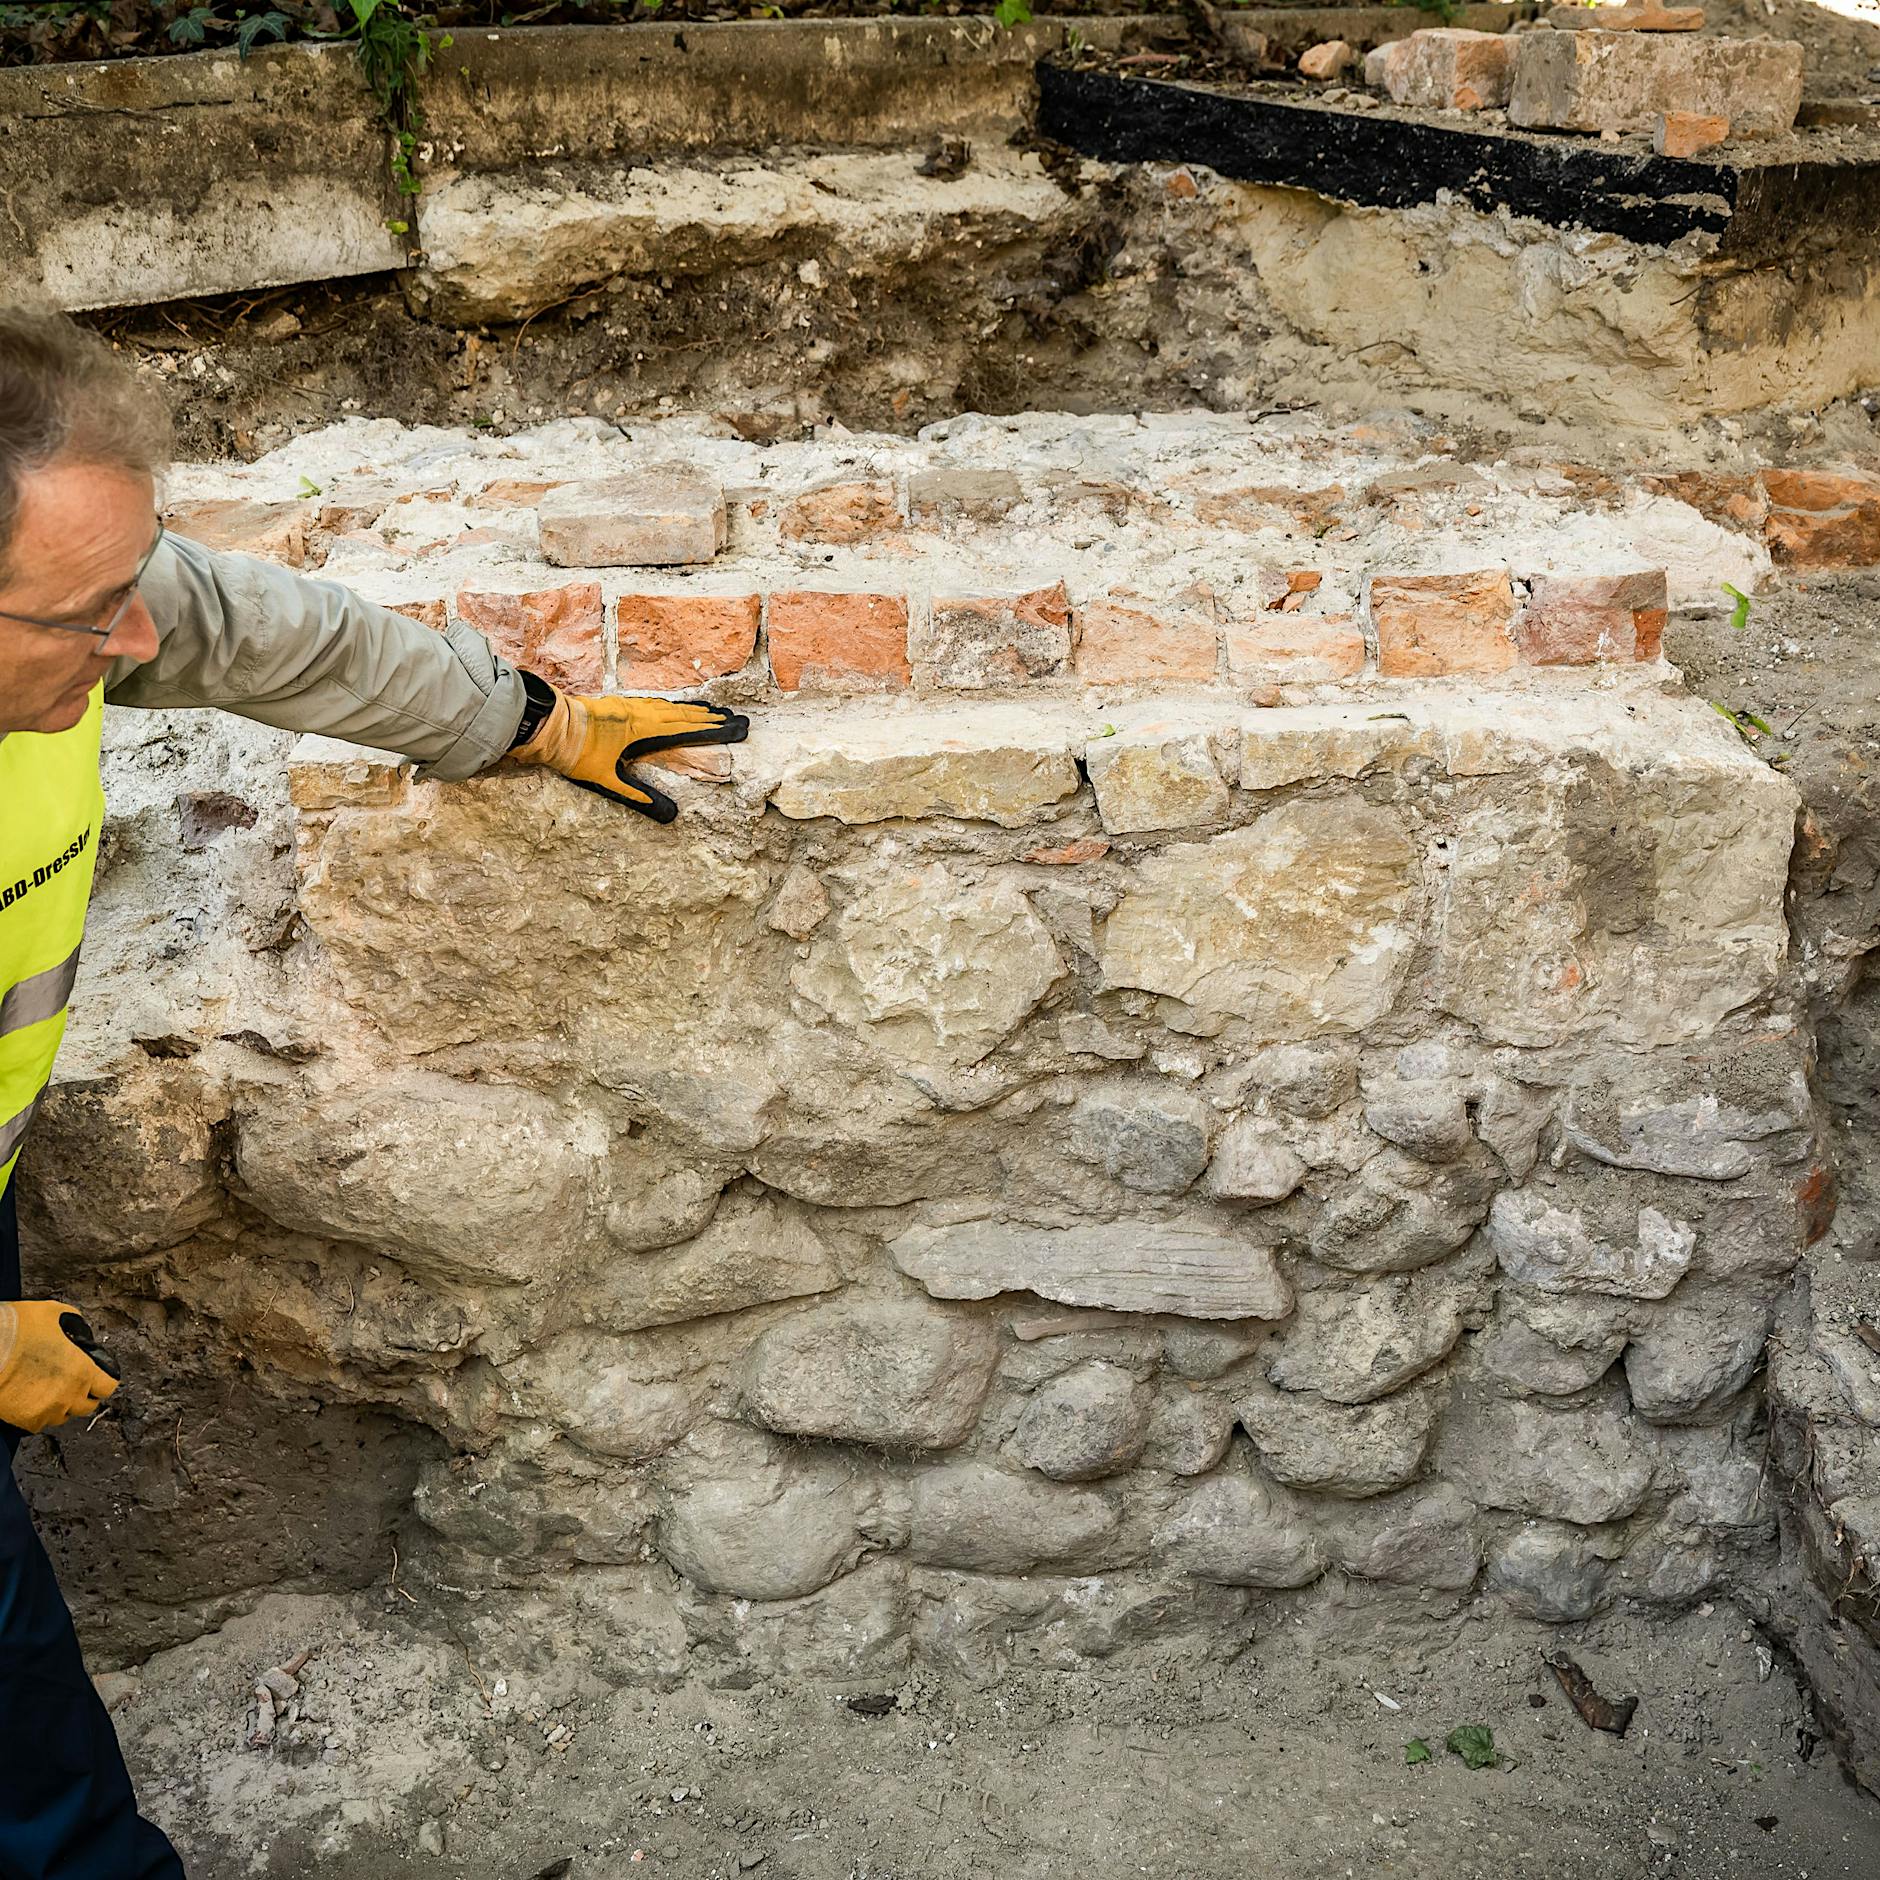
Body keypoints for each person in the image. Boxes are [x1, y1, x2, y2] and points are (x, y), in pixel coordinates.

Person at [0, 307, 748, 1877]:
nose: (137, 644)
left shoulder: (86, 611)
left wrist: (528, 720)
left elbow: (268, 631)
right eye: (88, 614)